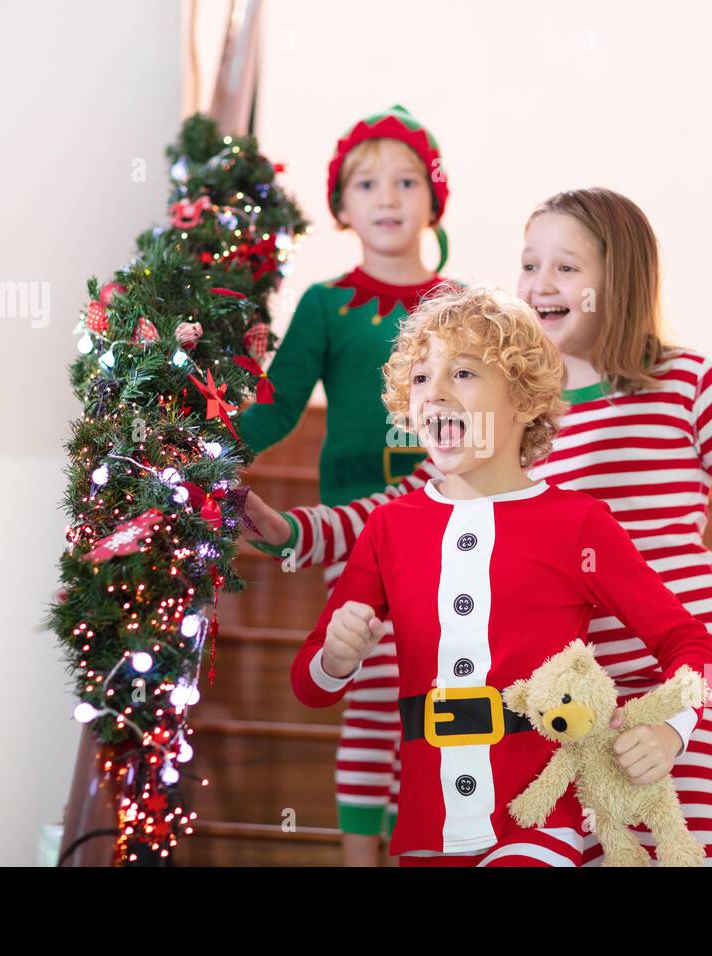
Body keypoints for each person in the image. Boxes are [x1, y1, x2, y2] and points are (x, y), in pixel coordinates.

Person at [256, 188, 712, 865]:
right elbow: (405, 508)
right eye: (529, 264)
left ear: (619, 279)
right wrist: (293, 534)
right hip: (571, 695)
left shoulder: (686, 384)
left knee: (686, 850)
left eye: (565, 266)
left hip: (683, 679)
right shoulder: (511, 408)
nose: (539, 282)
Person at [289, 284, 712, 866]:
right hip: (425, 827)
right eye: (420, 378)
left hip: (537, 823)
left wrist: (672, 727)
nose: (434, 394)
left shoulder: (578, 525)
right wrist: (335, 659)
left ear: (522, 401)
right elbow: (309, 686)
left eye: (462, 374)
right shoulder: (389, 528)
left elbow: (687, 641)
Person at [238, 104, 455, 865]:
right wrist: (210, 445)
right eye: (367, 184)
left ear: (435, 198)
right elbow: (280, 403)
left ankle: (422, 847)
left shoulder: (465, 308)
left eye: (405, 181)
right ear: (340, 206)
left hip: (451, 523)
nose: (388, 197)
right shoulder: (326, 305)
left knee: (430, 699)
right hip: (356, 530)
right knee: (370, 696)